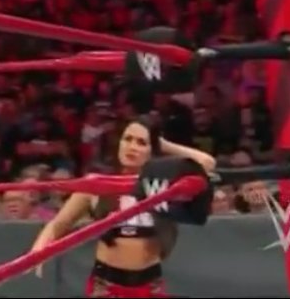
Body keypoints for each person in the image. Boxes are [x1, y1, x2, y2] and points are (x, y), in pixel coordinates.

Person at [30, 120, 216, 298]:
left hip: (150, 284)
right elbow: (59, 223)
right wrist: (39, 250)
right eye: (127, 139)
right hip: (107, 285)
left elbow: (206, 163)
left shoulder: (164, 184)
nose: (132, 147)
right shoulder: (98, 183)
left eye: (141, 143)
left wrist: (162, 144)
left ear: (152, 150)